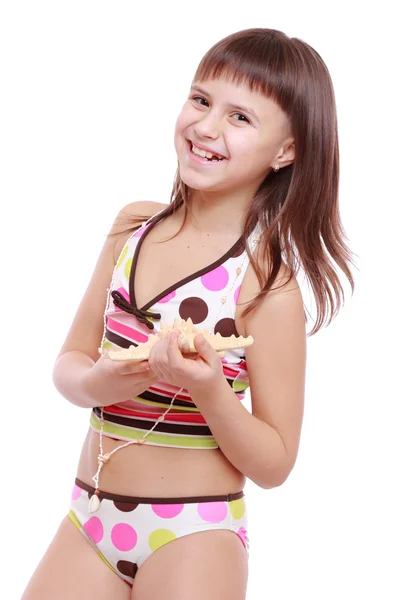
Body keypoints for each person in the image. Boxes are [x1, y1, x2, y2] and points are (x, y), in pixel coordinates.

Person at [22, 27, 354, 600]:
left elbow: (275, 463)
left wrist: (208, 390)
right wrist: (98, 380)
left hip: (192, 533)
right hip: (89, 518)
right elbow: (70, 363)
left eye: (240, 117)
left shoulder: (265, 284)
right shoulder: (134, 227)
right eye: (201, 100)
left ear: (287, 151)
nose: (205, 127)